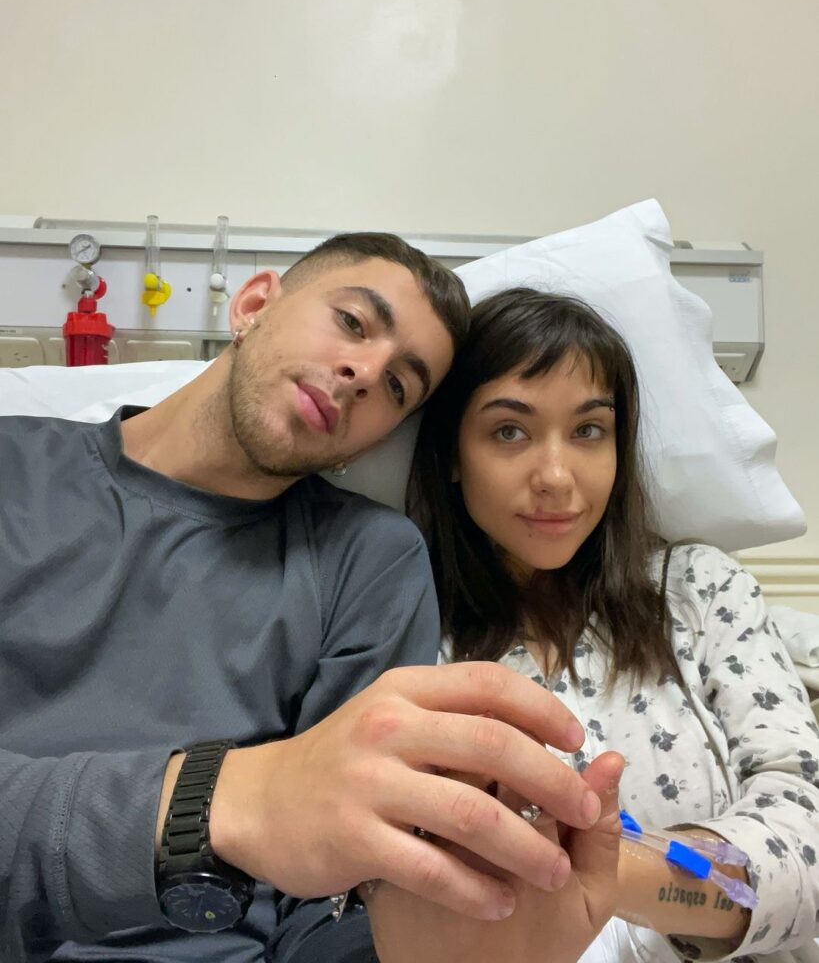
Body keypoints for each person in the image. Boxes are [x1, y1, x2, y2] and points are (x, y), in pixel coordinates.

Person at [0, 237, 607, 963]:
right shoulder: (15, 472)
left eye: (398, 388)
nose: (365, 374)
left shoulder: (369, 563)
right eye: (352, 322)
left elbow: (326, 903)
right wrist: (222, 802)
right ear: (255, 304)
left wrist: (410, 944)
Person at [369, 288, 819, 962]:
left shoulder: (699, 590)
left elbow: (807, 829)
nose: (556, 477)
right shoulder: (407, 640)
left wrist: (604, 876)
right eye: (509, 431)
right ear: (453, 455)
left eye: (588, 431)